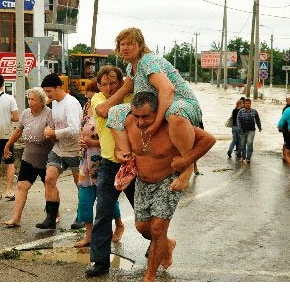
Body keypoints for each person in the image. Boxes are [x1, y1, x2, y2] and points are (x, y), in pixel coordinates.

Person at [115, 91, 216, 281]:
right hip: (142, 182)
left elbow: (208, 140)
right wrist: (120, 154)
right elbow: (120, 147)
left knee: (157, 229)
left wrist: (185, 161)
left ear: (157, 112)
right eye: (137, 116)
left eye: (145, 116)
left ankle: (150, 276)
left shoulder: (171, 126)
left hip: (167, 180)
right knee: (142, 227)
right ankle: (167, 244)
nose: (140, 122)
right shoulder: (129, 123)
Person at [113, 27, 202, 189]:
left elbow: (168, 90)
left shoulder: (147, 61)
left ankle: (187, 166)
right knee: (115, 113)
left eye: (130, 43)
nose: (125, 47)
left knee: (173, 114)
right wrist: (101, 107)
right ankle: (129, 162)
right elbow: (126, 95)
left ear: (140, 45)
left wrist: (155, 124)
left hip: (181, 102)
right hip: (157, 105)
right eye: (122, 44)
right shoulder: (130, 68)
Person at [85, 66, 135, 276]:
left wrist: (127, 88)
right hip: (108, 164)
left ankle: (159, 246)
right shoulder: (97, 99)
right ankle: (100, 262)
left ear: (120, 82)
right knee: (103, 214)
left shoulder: (133, 98)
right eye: (104, 84)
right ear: (98, 85)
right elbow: (104, 111)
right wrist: (124, 88)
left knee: (144, 214)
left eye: (113, 83)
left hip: (134, 165)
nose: (108, 88)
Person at [75, 80, 125, 248]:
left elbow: (112, 140)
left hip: (104, 159)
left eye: (92, 97)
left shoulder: (110, 110)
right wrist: (83, 143)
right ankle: (88, 234)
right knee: (84, 198)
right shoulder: (85, 108)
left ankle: (119, 224)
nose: (89, 101)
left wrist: (92, 143)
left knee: (107, 200)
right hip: (86, 160)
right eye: (87, 98)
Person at [2, 87, 54, 227]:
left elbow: (54, 135)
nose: (30, 102)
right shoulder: (25, 114)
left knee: (49, 187)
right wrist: (8, 145)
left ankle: (54, 214)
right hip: (29, 157)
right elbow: (19, 131)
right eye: (28, 99)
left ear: (42, 101)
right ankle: (16, 218)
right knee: (21, 186)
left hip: (46, 159)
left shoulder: (49, 114)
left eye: (33, 99)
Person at [36, 73, 83, 229]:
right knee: (49, 178)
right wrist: (53, 133)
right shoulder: (55, 103)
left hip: (76, 150)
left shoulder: (70, 103)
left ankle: (82, 217)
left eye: (49, 91)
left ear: (58, 87)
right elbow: (58, 125)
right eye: (45, 92)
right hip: (59, 149)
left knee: (81, 185)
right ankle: (51, 217)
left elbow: (75, 129)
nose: (47, 95)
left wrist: (54, 133)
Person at [237, 98, 262, 164]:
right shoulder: (241, 111)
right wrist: (240, 129)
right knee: (242, 144)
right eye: (246, 103)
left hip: (251, 130)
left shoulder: (254, 111)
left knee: (249, 143)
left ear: (250, 104)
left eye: (249, 103)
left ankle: (248, 158)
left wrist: (259, 127)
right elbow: (238, 120)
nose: (247, 105)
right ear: (244, 104)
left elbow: (257, 119)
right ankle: (243, 156)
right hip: (243, 130)